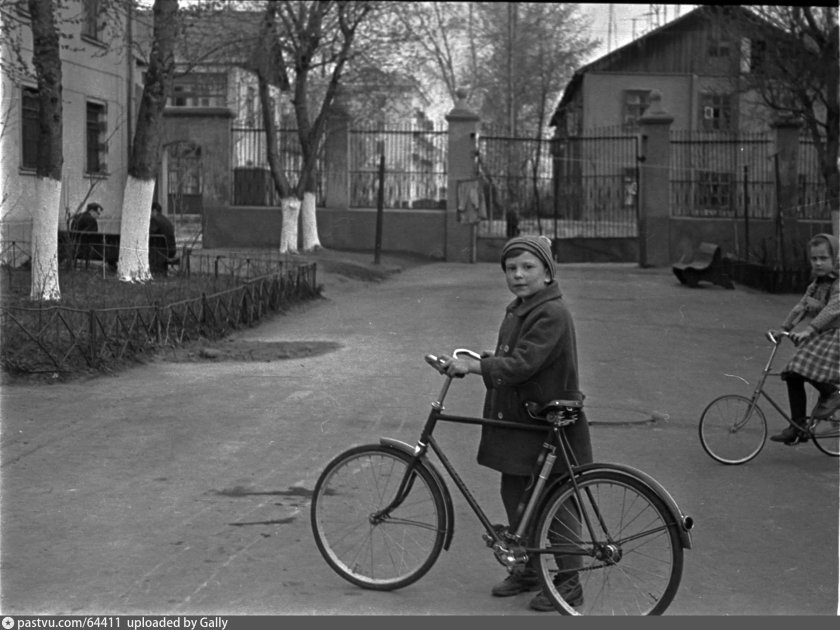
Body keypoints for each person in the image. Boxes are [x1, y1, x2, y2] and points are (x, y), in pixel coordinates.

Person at [439, 234, 593, 612]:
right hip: (524, 422)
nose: (519, 275)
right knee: (515, 494)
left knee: (553, 503)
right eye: (511, 268)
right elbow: (518, 356)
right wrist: (489, 357)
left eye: (528, 267)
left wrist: (477, 366)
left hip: (548, 423)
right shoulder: (523, 308)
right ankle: (526, 567)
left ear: (547, 271)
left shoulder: (551, 313)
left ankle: (569, 582)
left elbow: (526, 363)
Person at [768, 233, 840, 444]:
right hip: (822, 336)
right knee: (793, 373)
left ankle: (834, 393)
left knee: (800, 367)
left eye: (823, 258)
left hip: (835, 337)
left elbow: (831, 310)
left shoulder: (838, 284)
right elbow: (801, 306)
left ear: (835, 258)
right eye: (814, 259)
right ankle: (797, 426)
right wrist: (783, 329)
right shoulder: (816, 284)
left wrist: (808, 330)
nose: (818, 263)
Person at [149, 201, 178, 273]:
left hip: (163, 251)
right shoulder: (166, 219)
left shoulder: (155, 220)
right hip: (172, 250)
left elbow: (149, 234)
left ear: (154, 211)